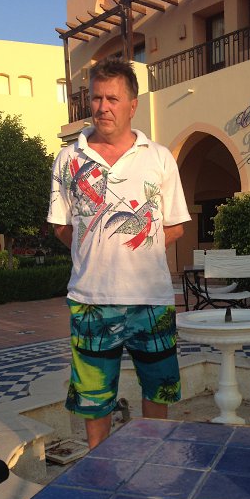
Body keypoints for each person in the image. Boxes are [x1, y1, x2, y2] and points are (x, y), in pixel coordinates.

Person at [48, 57, 191, 449]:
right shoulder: (68, 159)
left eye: (113, 98)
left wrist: (137, 248)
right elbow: (61, 226)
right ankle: (100, 470)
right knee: (93, 399)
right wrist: (97, 250)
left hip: (151, 301)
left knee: (159, 389)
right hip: (91, 301)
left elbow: (176, 224)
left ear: (132, 105)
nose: (103, 107)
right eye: (96, 98)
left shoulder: (159, 157)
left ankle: (154, 461)